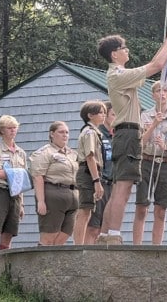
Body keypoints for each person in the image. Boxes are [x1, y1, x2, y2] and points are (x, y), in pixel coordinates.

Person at [96, 25, 167, 245]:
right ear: (114, 54)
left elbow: (153, 65)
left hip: (124, 134)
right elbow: (157, 65)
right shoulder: (119, 74)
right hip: (128, 135)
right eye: (123, 48)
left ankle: (105, 234)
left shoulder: (121, 75)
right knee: (123, 189)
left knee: (117, 188)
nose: (127, 51)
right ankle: (114, 235)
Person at [133, 81, 167, 244]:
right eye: (158, 91)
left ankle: (157, 246)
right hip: (146, 162)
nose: (162, 94)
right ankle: (137, 246)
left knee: (161, 209)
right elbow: (139, 144)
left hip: (165, 163)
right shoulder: (144, 116)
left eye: (166, 91)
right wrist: (154, 125)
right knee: (142, 206)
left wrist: (166, 148)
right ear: (153, 95)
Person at [0, 115, 28, 264]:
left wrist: (21, 204)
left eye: (15, 127)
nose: (13, 131)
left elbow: (24, 179)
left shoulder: (21, 153)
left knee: (9, 233)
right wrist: (17, 174)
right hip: (0, 192)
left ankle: (2, 267)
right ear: (1, 130)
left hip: (15, 195)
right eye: (9, 128)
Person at [30, 121, 79, 245]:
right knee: (49, 237)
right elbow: (38, 176)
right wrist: (41, 201)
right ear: (52, 134)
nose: (65, 135)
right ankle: (42, 263)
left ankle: (55, 264)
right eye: (61, 132)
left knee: (64, 235)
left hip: (72, 194)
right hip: (53, 193)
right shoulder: (45, 152)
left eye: (67, 132)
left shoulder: (72, 154)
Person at [72, 101, 106, 245]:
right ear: (90, 115)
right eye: (100, 113)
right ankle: (78, 245)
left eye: (104, 112)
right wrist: (96, 180)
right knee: (84, 210)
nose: (103, 115)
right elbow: (90, 157)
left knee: (88, 210)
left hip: (90, 173)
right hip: (88, 172)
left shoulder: (96, 132)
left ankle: (81, 243)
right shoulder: (90, 133)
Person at [85, 101, 115, 244]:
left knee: (106, 227)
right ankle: (86, 254)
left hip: (113, 183)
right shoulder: (98, 133)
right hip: (100, 181)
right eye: (113, 114)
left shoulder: (117, 134)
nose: (116, 118)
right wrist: (97, 181)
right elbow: (91, 157)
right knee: (93, 226)